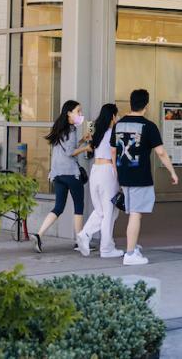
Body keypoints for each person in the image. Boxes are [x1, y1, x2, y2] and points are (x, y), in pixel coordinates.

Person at [111, 88, 178, 266]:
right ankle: (130, 254)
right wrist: (172, 171)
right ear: (146, 106)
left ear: (131, 103)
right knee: (135, 213)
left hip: (124, 174)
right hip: (140, 176)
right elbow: (161, 152)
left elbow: (113, 150)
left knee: (134, 212)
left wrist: (117, 170)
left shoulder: (118, 125)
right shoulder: (149, 126)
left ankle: (133, 246)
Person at [33, 100, 88, 253]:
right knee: (79, 207)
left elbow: (67, 147)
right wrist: (87, 147)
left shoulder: (59, 128)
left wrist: (83, 140)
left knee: (58, 207)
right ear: (69, 113)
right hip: (71, 173)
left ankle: (39, 234)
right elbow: (70, 152)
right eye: (78, 111)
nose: (81, 114)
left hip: (57, 174)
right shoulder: (71, 130)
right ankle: (79, 242)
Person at [75, 103, 124, 259]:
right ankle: (106, 248)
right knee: (109, 212)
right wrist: (119, 178)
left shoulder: (97, 133)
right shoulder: (113, 134)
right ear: (112, 117)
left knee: (101, 211)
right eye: (117, 115)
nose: (118, 118)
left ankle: (85, 234)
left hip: (95, 170)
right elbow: (115, 156)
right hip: (108, 172)